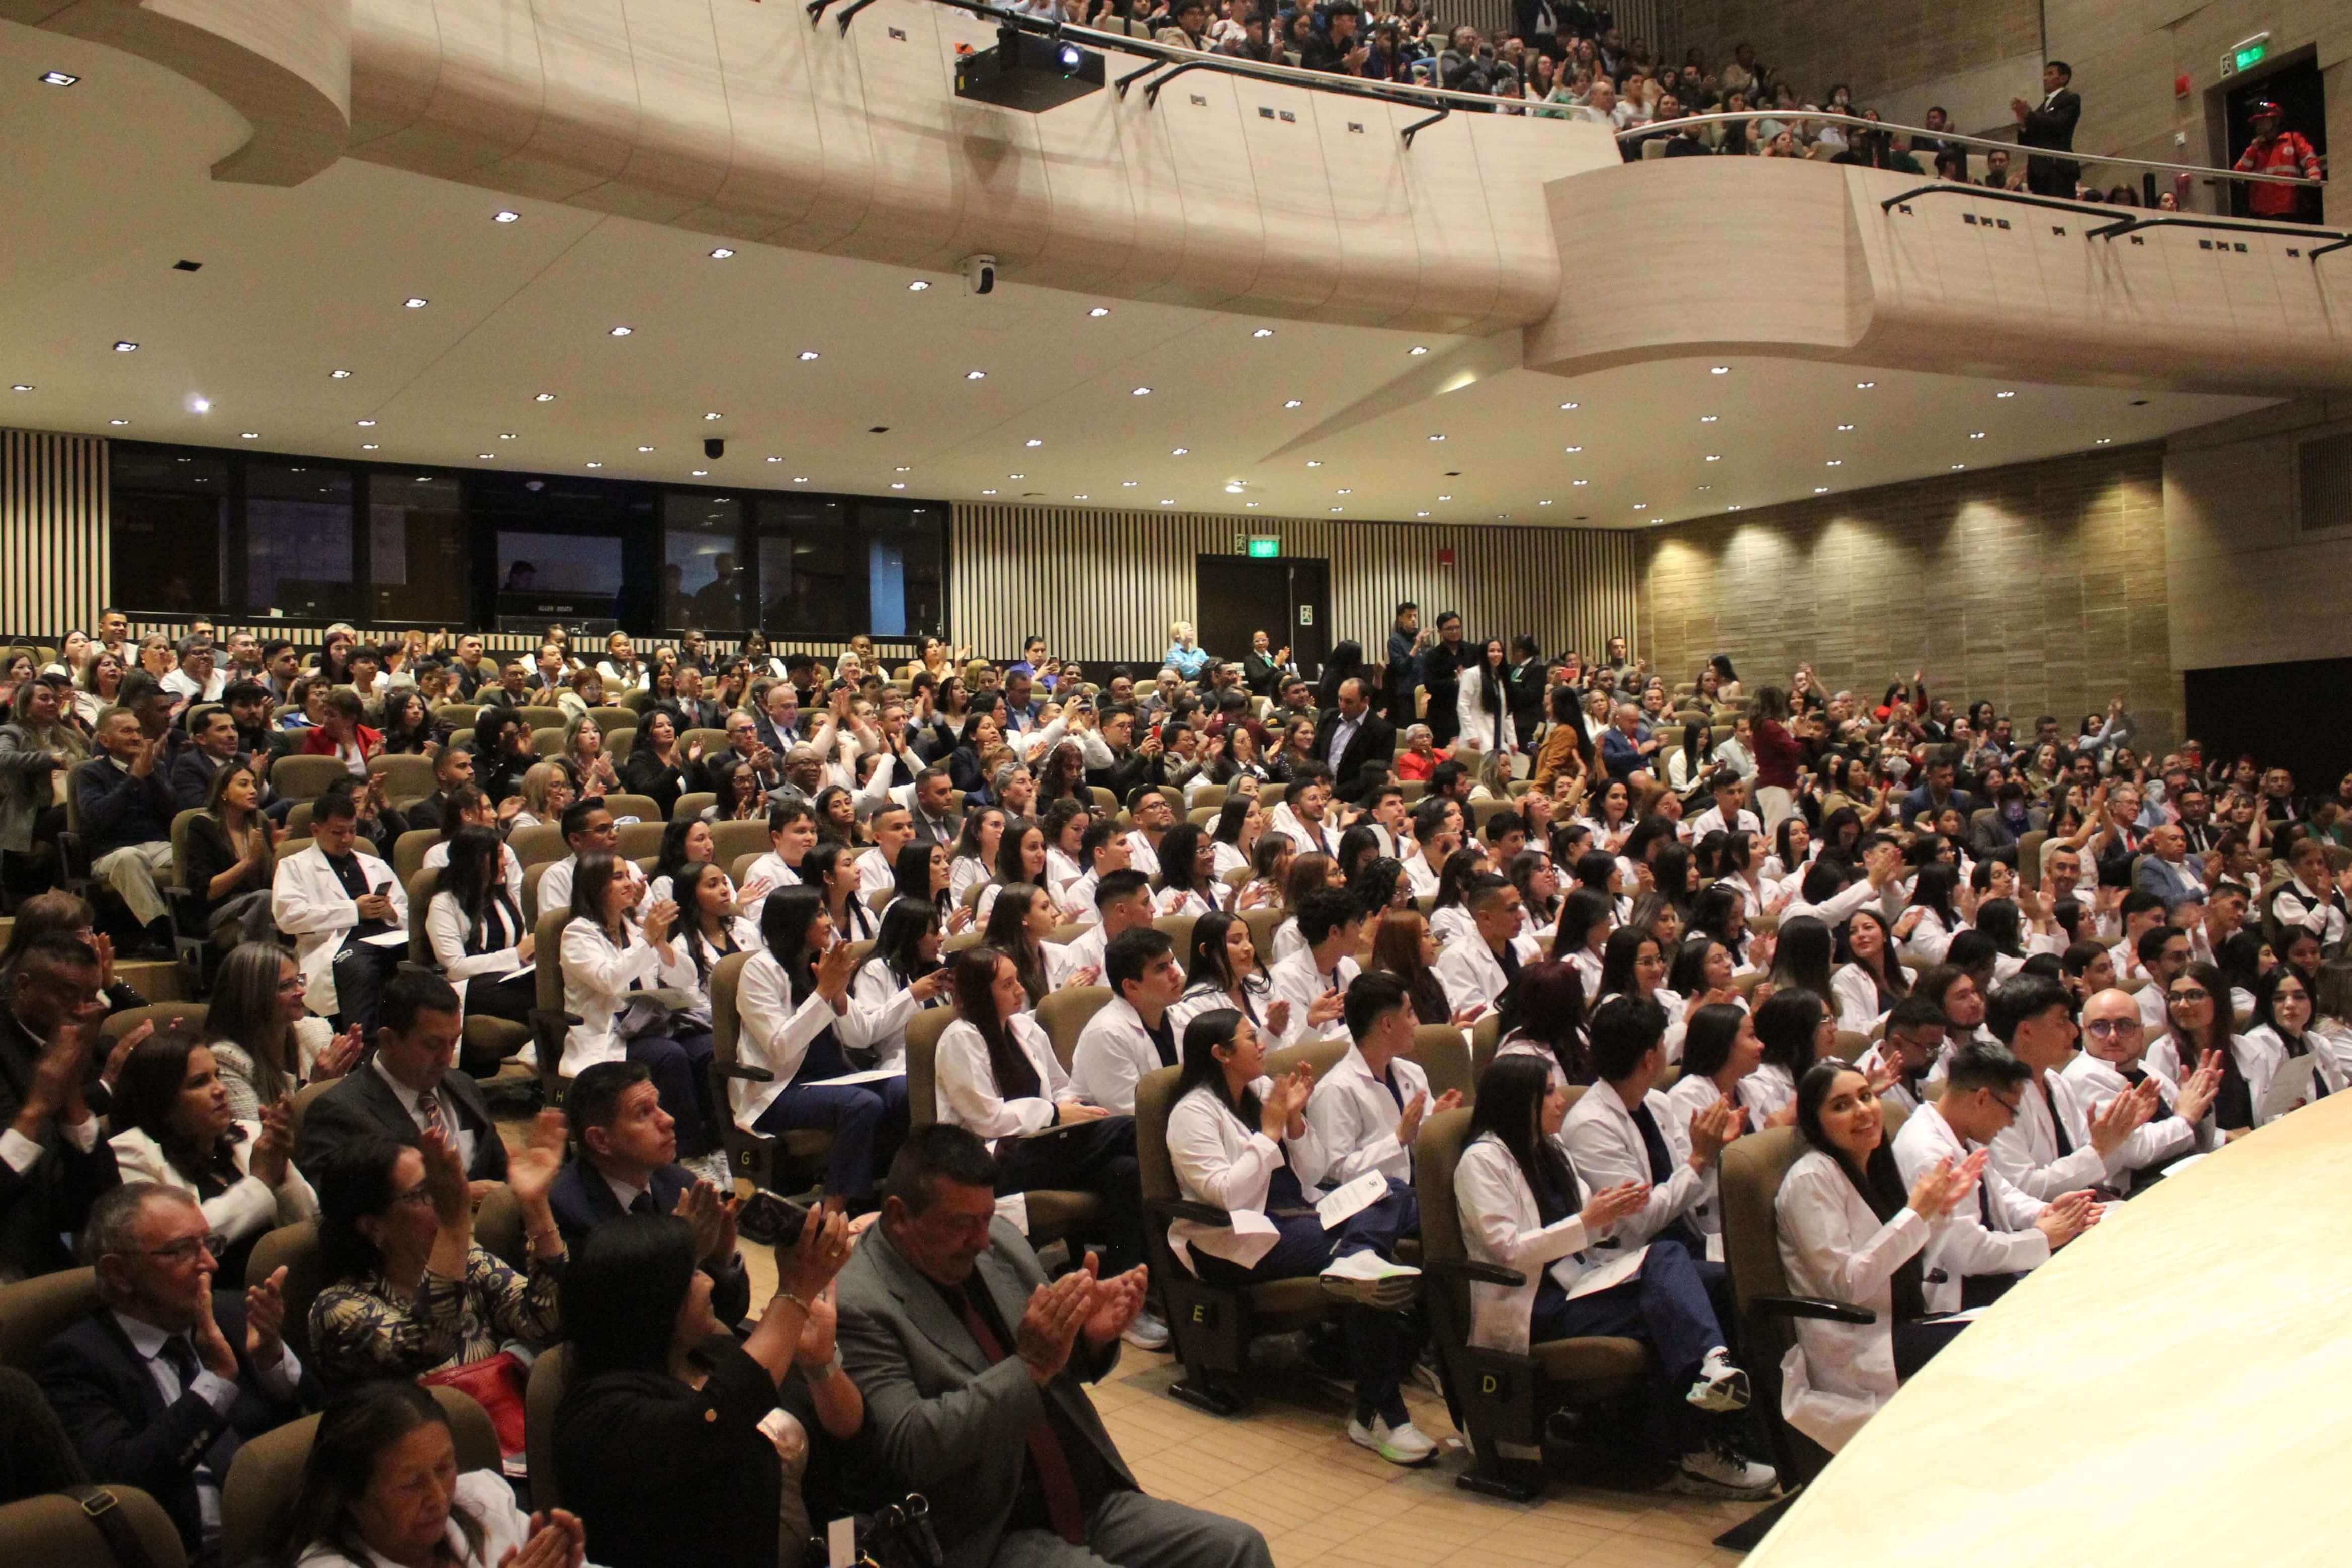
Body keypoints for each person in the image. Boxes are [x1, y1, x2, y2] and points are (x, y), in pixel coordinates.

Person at [837, 1123, 1272, 1568]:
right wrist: (1030, 1365)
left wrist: (1086, 1338)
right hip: (988, 1529)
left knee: (1239, 1548)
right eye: (962, 1224)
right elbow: (910, 1447)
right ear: (898, 1216)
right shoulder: (862, 1305)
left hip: (1086, 1497)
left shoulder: (999, 1244)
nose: (981, 1239)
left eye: (986, 1218)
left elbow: (1050, 1366)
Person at [1455, 1054, 1773, 1496]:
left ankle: (1728, 1415)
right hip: (1531, 1306)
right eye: (1548, 1093)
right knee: (1665, 1279)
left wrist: (1614, 1211)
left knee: (1713, 1282)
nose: (1560, 1101)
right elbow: (1507, 1251)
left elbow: (1593, 1223)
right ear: (1517, 1101)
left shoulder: (1552, 1149)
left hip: (1580, 1281)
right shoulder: (1481, 1162)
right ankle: (1700, 1435)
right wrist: (1589, 1221)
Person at [1164, 1008, 1432, 1466]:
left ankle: (1359, 1256)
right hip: (1241, 1236)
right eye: (1251, 1038)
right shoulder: (1190, 1115)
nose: (1263, 1044)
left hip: (1301, 1212)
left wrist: (1294, 1123)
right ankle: (1380, 1414)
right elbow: (1226, 1195)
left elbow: (1312, 1171)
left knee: (1395, 1192)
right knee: (1369, 1277)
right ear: (1221, 1054)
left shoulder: (1263, 1090)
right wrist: (1269, 1132)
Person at [558, 1203, 857, 1568]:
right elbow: (714, 1419)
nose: (710, 1282)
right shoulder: (602, 1416)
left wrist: (820, 1365)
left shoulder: (713, 1351)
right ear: (652, 1303)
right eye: (693, 1275)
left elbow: (848, 1431)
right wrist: (794, 1292)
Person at [38, 1182, 319, 1557]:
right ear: (119, 1273)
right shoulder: (77, 1363)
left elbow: (320, 1420)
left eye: (209, 1244)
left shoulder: (233, 1314)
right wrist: (216, 1381)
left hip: (291, 1535)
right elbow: (127, 1484)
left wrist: (271, 1358)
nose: (211, 1264)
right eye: (183, 1250)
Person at [934, 947, 1162, 1345]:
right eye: (1007, 985)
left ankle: (1123, 1294)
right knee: (1129, 1131)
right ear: (979, 993)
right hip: (989, 1160)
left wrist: (1077, 1110)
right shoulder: (960, 1040)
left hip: (1044, 1145)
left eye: (1018, 980)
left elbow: (1060, 1087)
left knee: (1127, 1170)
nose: (1020, 990)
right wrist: (1056, 1115)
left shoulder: (1025, 1029)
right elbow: (985, 1119)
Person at [1775, 1058, 1985, 1453]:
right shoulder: (1810, 1178)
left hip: (1897, 1324)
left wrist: (1937, 1214)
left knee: (2002, 1323)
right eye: (1840, 1105)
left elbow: (1905, 1263)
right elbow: (1846, 1285)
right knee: (1989, 1342)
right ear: (1814, 1122)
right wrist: (1915, 1214)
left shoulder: (1871, 1166)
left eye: (1865, 1097)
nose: (1861, 1111)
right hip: (1857, 1345)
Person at [306, 1112, 566, 1390]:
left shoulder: (470, 1264)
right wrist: (453, 1224)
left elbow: (548, 1321)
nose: (442, 1201)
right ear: (373, 1227)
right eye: (423, 1193)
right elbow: (430, 1344)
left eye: (440, 1188)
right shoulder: (336, 1311)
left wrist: (535, 1205)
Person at [277, 1380, 585, 1568]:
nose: (439, 1498)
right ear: (353, 1498)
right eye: (411, 1485)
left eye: (444, 1468)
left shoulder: (483, 1498)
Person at [734, 887, 911, 1211]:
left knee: (906, 1090)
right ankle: (833, 1212)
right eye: (818, 914)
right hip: (779, 1089)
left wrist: (839, 995)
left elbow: (860, 1036)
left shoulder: (821, 962)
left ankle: (894, 1195)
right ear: (792, 923)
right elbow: (780, 1048)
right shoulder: (760, 970)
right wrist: (823, 992)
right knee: (862, 1105)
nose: (828, 921)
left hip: (833, 1077)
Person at [1889, 1040, 2095, 1312]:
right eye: (2011, 1110)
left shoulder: (1958, 1129)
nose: (2011, 1122)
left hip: (1988, 1278)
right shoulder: (1929, 1153)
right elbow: (1970, 1254)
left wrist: (2044, 1213)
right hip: (1957, 1296)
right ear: (1982, 1098)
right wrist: (2042, 1238)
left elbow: (2002, 1192)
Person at [547, 1060, 750, 1327]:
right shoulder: (568, 1210)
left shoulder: (681, 1184)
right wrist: (684, 1252)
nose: (668, 1119)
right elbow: (622, 1325)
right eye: (644, 1113)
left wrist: (722, 1258)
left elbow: (729, 1316)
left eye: (658, 1105)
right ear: (601, 1141)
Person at [106, 1030, 317, 1287]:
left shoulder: (250, 1134)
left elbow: (308, 1223)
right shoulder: (129, 1153)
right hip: (203, 1299)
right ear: (161, 1100)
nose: (220, 1089)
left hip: (281, 1286)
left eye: (217, 1075)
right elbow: (178, 1244)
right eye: (199, 1082)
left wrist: (282, 1171)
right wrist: (260, 1182)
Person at [1560, 995, 1740, 1256]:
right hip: (1638, 1259)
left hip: (1686, 1239)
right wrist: (1699, 1158)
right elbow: (1643, 1220)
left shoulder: (1657, 1103)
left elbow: (1687, 1187)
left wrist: (1711, 1151)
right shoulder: (1590, 1126)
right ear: (1649, 1059)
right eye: (1663, 1043)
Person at [294, 971, 511, 1185]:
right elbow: (336, 1210)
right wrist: (454, 1199)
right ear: (388, 1041)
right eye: (433, 1045)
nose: (446, 1058)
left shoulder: (463, 1085)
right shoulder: (338, 1113)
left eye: (453, 1042)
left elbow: (499, 1171)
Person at [1, 936, 123, 1279]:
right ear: (24, 987)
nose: (83, 1010)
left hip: (49, 1248)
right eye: (69, 994)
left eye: (91, 997)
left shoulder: (75, 1047)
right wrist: (36, 1110)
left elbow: (100, 1197)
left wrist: (72, 1097)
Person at [272, 787, 409, 1037]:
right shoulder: (294, 866)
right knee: (360, 966)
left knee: (422, 962)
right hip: (339, 947)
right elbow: (289, 917)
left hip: (389, 939)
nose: (347, 839)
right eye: (338, 833)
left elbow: (407, 911)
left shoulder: (375, 865)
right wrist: (354, 910)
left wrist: (390, 912)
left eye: (352, 831)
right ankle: (363, 1050)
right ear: (316, 830)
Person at [2059, 988, 2223, 1196]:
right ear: (2084, 1031)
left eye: (2125, 1026)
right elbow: (2134, 1151)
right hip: (2135, 1190)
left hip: (2183, 1170)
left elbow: (2197, 1139)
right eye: (2100, 1027)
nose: (2113, 1037)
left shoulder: (2145, 1069)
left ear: (2141, 1032)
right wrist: (2185, 1119)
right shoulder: (2083, 1077)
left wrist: (2202, 1105)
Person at [199, 941, 357, 1121]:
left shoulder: (315, 1031)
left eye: (299, 980)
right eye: (285, 986)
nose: (301, 992)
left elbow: (346, 1115)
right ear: (253, 997)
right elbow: (262, 1140)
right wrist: (316, 1086)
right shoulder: (226, 1059)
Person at [75, 706, 180, 957]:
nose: (136, 737)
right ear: (105, 740)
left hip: (157, 846)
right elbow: (97, 818)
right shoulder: (90, 772)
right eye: (126, 731)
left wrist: (150, 775)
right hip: (111, 852)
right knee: (130, 859)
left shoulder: (157, 768)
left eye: (138, 731)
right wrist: (133, 779)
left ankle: (199, 927)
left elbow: (174, 811)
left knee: (193, 855)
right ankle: (162, 932)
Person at [424, 825, 536, 1053]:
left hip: (513, 977)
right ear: (475, 860)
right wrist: (516, 955)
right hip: (471, 987)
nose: (506, 862)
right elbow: (455, 967)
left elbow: (522, 943)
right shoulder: (445, 904)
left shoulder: (504, 895)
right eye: (498, 856)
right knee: (540, 996)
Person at [1070, 927, 1189, 1114]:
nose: (1175, 974)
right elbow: (1136, 1115)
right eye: (1161, 968)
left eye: (1172, 963)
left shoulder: (1183, 1016)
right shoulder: (1106, 1033)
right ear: (1131, 986)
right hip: (1119, 1136)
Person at [1433, 872, 1534, 1019]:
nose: (1522, 916)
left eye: (1519, 907)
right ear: (1485, 918)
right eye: (1512, 909)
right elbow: (1479, 1020)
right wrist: (1524, 982)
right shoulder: (1456, 959)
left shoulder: (1528, 946)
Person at [2234, 98, 2325, 222]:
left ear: (2275, 120)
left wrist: (2314, 174)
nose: (2259, 125)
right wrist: (2252, 150)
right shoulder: (2255, 149)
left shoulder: (2293, 139)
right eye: (2257, 122)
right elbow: (2238, 174)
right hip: (2259, 214)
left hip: (2287, 212)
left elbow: (2309, 157)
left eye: (2263, 120)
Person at [2012, 59, 2081, 198]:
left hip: (2058, 170)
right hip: (2038, 172)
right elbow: (2025, 143)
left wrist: (2029, 115)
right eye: (2045, 75)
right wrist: (2023, 123)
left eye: (2050, 74)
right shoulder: (2043, 106)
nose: (2045, 79)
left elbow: (2058, 124)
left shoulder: (2071, 99)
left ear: (2064, 78)